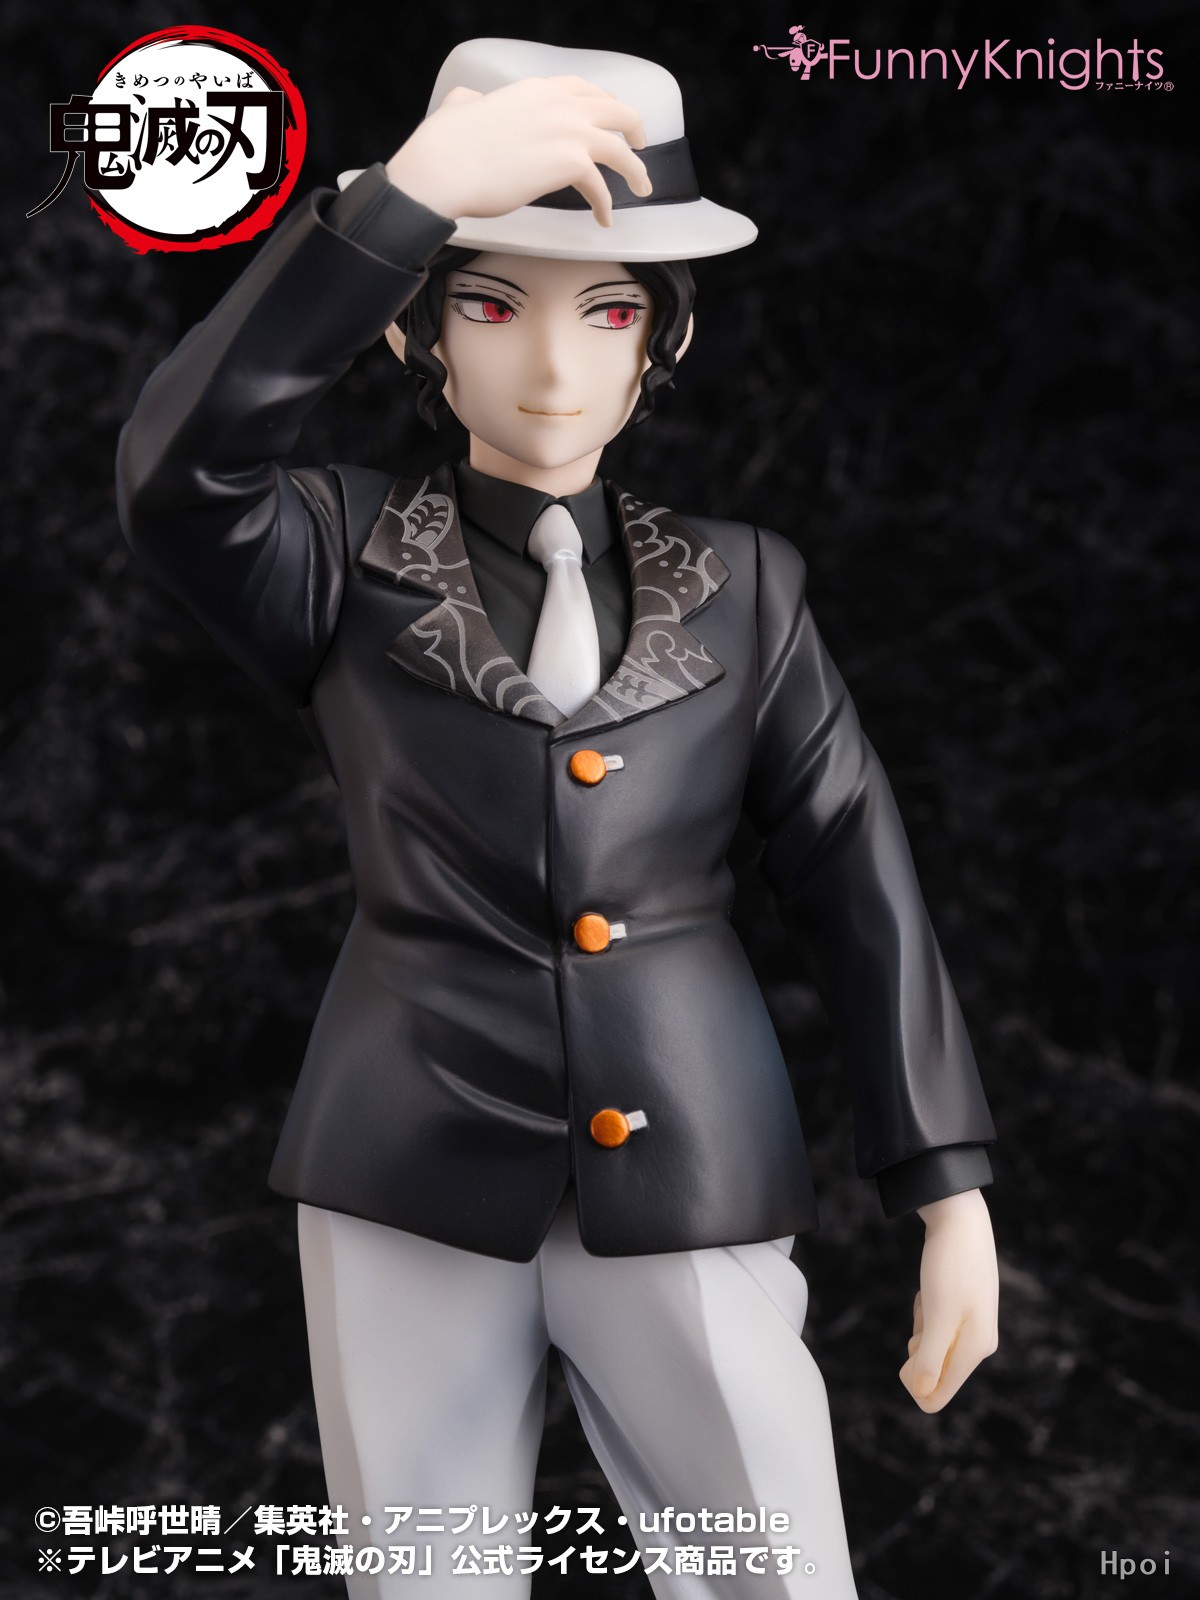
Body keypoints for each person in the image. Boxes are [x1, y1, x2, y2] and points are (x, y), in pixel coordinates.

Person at [116, 37, 999, 1600]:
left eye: (605, 311)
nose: (549, 366)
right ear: (414, 329)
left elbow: (856, 871)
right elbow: (177, 473)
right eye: (486, 303)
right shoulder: (336, 552)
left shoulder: (747, 585)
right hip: (406, 1161)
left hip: (691, 1150)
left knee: (778, 1567)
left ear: (663, 339)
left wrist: (949, 1182)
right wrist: (387, 213)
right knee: (426, 1574)